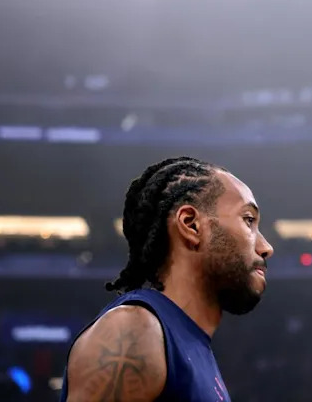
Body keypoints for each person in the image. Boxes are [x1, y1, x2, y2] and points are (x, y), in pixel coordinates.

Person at [59, 156, 274, 401]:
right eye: (248, 220)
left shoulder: (189, 344)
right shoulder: (135, 332)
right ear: (191, 225)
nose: (266, 247)